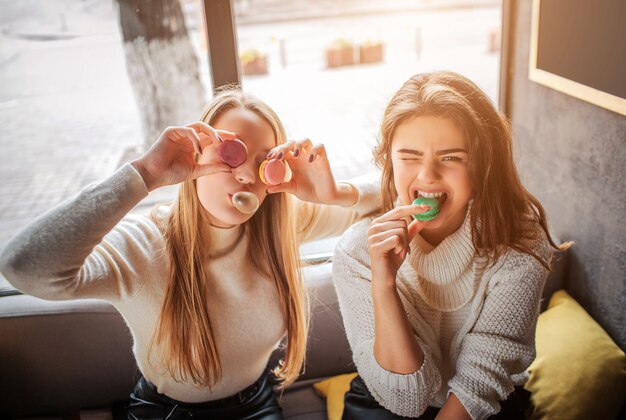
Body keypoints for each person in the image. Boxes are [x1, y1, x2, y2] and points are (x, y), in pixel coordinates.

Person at [0, 89, 379, 419]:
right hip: (167, 413)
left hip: (259, 402)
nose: (247, 175)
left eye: (264, 162)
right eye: (232, 155)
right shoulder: (144, 244)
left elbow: (391, 191)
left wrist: (334, 193)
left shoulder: (279, 226)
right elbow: (23, 267)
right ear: (198, 159)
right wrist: (146, 174)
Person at [332, 71, 570, 420]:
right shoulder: (356, 253)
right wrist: (384, 284)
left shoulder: (519, 244)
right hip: (384, 398)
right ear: (389, 161)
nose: (427, 175)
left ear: (484, 165)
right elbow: (406, 401)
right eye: (409, 156)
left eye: (451, 157)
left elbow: (480, 380)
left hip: (482, 405)